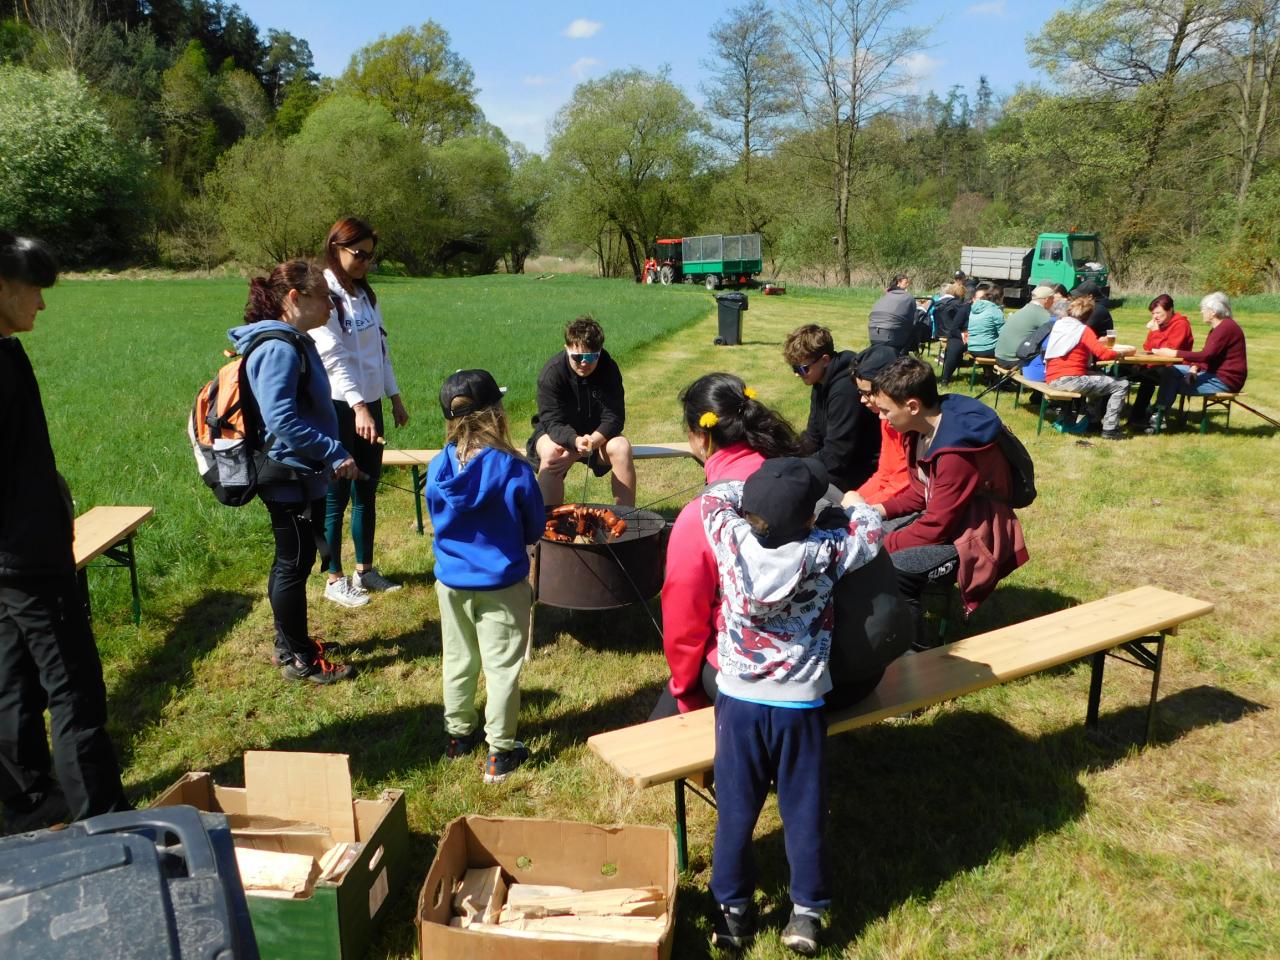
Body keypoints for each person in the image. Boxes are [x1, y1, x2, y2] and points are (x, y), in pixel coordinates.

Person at [702, 458, 882, 955]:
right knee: (803, 810)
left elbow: (714, 495)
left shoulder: (727, 535)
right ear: (807, 518)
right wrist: (850, 504)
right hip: (799, 704)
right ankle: (807, 913)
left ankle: (732, 912)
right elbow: (871, 529)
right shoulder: (826, 550)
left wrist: (756, 491)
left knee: (735, 810)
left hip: (738, 701)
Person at [0, 232, 130, 832]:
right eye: (34, 290)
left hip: (15, 556)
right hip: (26, 557)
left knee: (12, 678)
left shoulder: (6, 351)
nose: (42, 303)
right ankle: (102, 817)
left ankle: (30, 799)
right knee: (73, 685)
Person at [233, 260, 360, 684]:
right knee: (293, 563)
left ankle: (291, 644)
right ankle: (299, 659)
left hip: (301, 472)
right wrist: (334, 452)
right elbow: (281, 420)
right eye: (324, 296)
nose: (331, 305)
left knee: (295, 560)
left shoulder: (293, 342)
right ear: (294, 297)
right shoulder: (279, 349)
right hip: (287, 476)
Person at [652, 374, 801, 720]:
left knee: (661, 724)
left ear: (702, 437)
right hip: (831, 659)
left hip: (760, 675)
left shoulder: (701, 516)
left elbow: (684, 624)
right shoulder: (796, 476)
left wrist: (684, 691)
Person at [426, 370, 544, 784]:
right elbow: (533, 528)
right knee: (502, 668)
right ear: (496, 413)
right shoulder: (515, 469)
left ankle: (458, 737)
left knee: (458, 659)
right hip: (502, 585)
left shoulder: (437, 467)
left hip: (451, 583)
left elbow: (436, 518)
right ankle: (500, 752)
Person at [869, 357, 1028, 646]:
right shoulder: (917, 431)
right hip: (949, 522)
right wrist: (876, 511)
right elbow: (921, 492)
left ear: (912, 406)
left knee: (896, 568)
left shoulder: (955, 454)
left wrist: (876, 546)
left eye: (885, 410)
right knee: (877, 533)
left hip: (973, 535)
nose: (882, 418)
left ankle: (914, 652)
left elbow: (936, 528)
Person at [312, 217, 410, 608]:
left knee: (367, 490)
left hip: (369, 405)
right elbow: (333, 358)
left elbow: (380, 350)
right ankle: (334, 578)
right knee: (336, 495)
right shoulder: (325, 293)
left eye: (370, 256)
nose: (366, 262)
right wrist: (357, 407)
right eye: (359, 254)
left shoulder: (365, 294)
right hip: (339, 406)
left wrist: (394, 396)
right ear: (336, 247)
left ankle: (364, 570)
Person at [528, 316, 635, 507]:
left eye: (592, 357)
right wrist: (575, 443)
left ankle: (626, 517)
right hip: (556, 434)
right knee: (552, 454)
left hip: (596, 435)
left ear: (600, 351)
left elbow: (614, 417)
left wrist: (589, 443)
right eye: (578, 357)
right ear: (566, 348)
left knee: (622, 447)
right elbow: (552, 422)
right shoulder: (551, 373)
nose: (584, 363)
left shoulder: (609, 368)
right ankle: (549, 521)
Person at [783, 324, 880, 491]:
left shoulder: (845, 390)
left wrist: (798, 467)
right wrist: (790, 455)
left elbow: (838, 454)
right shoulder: (820, 381)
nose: (797, 374)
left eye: (802, 369)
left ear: (825, 360)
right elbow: (813, 436)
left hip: (859, 468)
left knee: (792, 485)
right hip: (838, 459)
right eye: (794, 368)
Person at [1150, 291, 1248, 428]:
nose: (1202, 312)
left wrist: (1174, 353)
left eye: (1204, 309)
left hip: (1225, 380)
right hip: (1213, 373)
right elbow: (1209, 355)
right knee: (1170, 371)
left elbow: (1206, 355)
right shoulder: (1220, 327)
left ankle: (1157, 418)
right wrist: (1194, 368)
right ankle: (1157, 414)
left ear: (1213, 312)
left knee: (1172, 383)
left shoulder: (1225, 328)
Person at [1044, 295, 1134, 439]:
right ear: (1089, 315)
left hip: (1053, 377)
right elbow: (1103, 354)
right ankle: (1110, 429)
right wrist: (1123, 353)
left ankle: (1093, 422)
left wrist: (1096, 342)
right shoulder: (1083, 330)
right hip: (1070, 379)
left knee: (1100, 378)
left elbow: (1075, 344)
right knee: (1121, 384)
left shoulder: (1060, 325)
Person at [851, 345, 911, 506]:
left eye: (868, 393)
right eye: (860, 392)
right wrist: (855, 499)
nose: (862, 400)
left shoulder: (908, 426)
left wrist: (858, 508)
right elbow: (884, 474)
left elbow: (901, 487)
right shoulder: (886, 419)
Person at [1127, 293, 1193, 426]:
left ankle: (1142, 417)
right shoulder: (1159, 324)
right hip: (1155, 364)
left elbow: (1170, 351)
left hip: (1174, 367)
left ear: (1170, 310)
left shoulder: (1181, 325)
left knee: (1148, 377)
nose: (1154, 317)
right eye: (1152, 314)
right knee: (1120, 369)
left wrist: (1156, 332)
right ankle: (1103, 414)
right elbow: (1148, 347)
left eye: (1158, 313)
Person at [994, 284, 1055, 367]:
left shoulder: (1025, 309)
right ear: (1047, 299)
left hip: (1000, 357)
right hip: (1014, 360)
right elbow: (1056, 330)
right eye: (1053, 299)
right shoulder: (1041, 313)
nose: (1054, 302)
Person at [868, 279, 920, 354]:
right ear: (898, 283)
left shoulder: (885, 297)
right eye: (906, 283)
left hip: (873, 331)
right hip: (892, 334)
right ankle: (905, 354)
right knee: (915, 329)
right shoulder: (909, 298)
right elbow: (914, 320)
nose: (908, 284)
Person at [935, 281, 973, 386]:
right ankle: (946, 377)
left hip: (941, 331)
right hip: (955, 333)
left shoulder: (939, 302)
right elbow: (956, 326)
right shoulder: (960, 306)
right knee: (955, 346)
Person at [965, 284, 1005, 360]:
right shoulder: (995, 311)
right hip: (987, 349)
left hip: (972, 348)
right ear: (1000, 297)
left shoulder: (974, 309)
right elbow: (1003, 334)